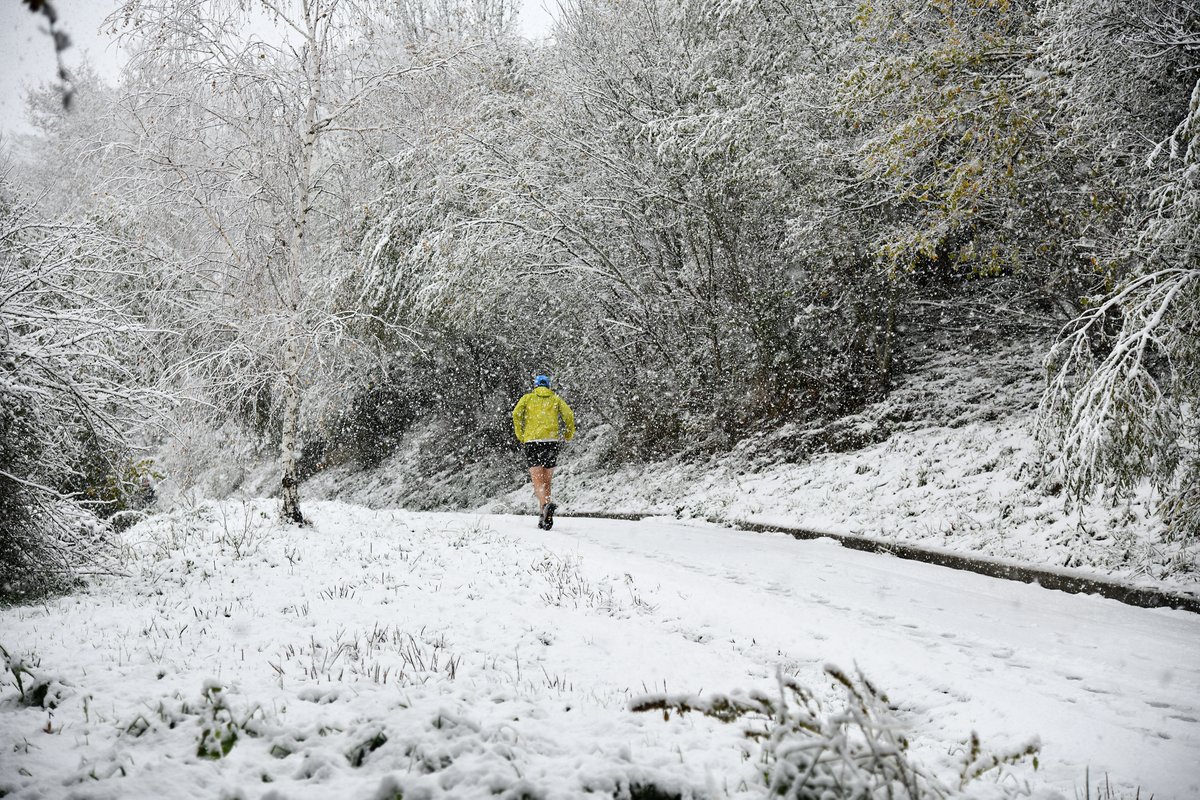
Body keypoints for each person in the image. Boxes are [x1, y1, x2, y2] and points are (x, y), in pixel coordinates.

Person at [511, 374, 575, 529]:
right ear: (549, 386)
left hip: (532, 441)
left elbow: (516, 414)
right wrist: (568, 433)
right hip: (551, 441)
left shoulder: (527, 399)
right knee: (547, 480)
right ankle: (543, 516)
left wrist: (520, 434)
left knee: (538, 480)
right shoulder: (555, 399)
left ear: (535, 386)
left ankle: (545, 505)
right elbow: (569, 415)